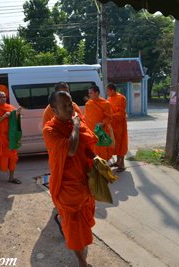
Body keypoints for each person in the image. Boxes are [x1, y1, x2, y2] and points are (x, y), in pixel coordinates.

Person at [43, 91, 98, 267]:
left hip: (85, 183)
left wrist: (95, 161)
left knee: (85, 222)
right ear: (54, 109)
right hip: (67, 188)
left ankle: (62, 220)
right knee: (74, 229)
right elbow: (71, 150)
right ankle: (82, 261)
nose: (69, 109)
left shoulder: (77, 122)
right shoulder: (50, 130)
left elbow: (88, 144)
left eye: (71, 104)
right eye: (64, 106)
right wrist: (75, 126)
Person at [0, 91, 22, 184]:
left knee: (13, 158)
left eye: (4, 97)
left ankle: (11, 177)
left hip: (10, 138)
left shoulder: (10, 108)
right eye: (1, 97)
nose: (3, 98)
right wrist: (4, 116)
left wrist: (17, 114)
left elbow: (15, 121)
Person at [84, 85, 114, 161]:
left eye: (91, 93)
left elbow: (109, 117)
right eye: (89, 93)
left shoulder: (106, 103)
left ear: (97, 93)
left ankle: (104, 168)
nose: (89, 95)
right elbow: (86, 119)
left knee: (103, 152)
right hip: (92, 132)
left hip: (102, 131)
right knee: (93, 152)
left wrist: (102, 123)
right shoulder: (88, 104)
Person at [107, 83, 128, 172]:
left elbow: (121, 113)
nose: (107, 93)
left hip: (119, 125)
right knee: (114, 144)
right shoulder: (110, 98)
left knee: (120, 144)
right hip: (112, 125)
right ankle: (117, 161)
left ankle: (122, 165)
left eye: (107, 91)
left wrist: (111, 116)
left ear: (112, 90)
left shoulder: (121, 98)